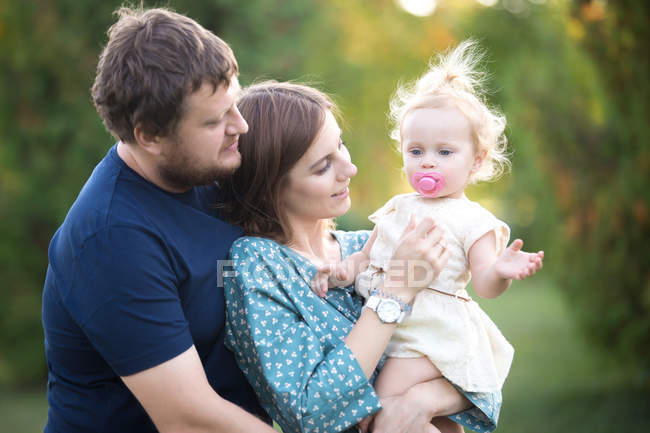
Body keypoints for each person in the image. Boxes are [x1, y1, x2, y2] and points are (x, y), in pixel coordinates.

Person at [41, 7, 277, 433]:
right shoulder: (111, 236)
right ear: (149, 135)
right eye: (214, 120)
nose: (240, 125)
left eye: (234, 104)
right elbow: (188, 418)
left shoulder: (216, 166)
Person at [220, 81, 503, 433]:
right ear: (271, 184)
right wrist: (396, 290)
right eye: (323, 166)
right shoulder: (255, 265)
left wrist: (425, 401)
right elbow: (310, 413)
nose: (349, 169)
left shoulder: (368, 246)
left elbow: (472, 355)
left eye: (341, 146)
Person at [311, 41, 545, 432]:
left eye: (444, 152)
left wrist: (501, 269)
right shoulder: (398, 208)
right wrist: (338, 272)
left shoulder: (473, 220)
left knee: (380, 412)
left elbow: (484, 284)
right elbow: (366, 258)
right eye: (416, 151)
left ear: (478, 160)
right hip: (396, 332)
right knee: (428, 421)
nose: (428, 161)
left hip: (433, 337)